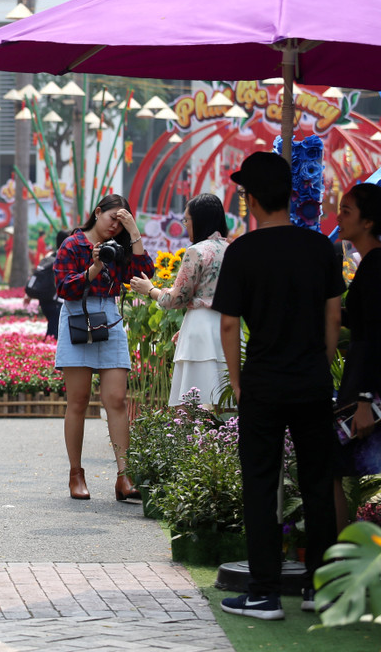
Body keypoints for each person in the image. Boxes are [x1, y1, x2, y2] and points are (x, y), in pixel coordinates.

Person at [212, 151, 342, 621]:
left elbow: (229, 325)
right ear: (290, 193)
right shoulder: (319, 247)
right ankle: (320, 588)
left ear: (250, 199)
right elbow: (333, 315)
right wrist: (320, 363)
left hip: (263, 384)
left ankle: (264, 593)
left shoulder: (242, 251)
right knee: (317, 483)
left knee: (261, 485)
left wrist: (239, 382)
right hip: (310, 381)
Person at [54, 194, 153, 501]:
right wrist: (95, 266)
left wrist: (133, 233)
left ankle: (124, 477)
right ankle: (76, 474)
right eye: (112, 218)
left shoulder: (121, 247)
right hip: (77, 317)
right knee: (79, 401)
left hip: (108, 318)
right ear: (97, 212)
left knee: (117, 400)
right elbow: (64, 288)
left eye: (121, 222)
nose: (115, 226)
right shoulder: (72, 245)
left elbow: (143, 274)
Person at [129, 194, 230, 407]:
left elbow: (176, 298)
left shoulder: (197, 251)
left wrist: (151, 290)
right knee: (225, 406)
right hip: (228, 329)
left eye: (187, 220)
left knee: (194, 407)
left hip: (200, 332)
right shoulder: (232, 249)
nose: (185, 225)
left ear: (199, 220)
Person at [334, 182, 381, 531]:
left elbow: (373, 334)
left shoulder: (375, 266)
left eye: (347, 210)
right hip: (365, 391)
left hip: (369, 397)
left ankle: (344, 558)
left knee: (329, 467)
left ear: (368, 221)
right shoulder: (369, 265)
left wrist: (364, 399)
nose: (339, 217)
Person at [24, 231, 67, 341]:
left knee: (52, 331)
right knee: (54, 334)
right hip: (56, 301)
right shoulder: (66, 258)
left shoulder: (50, 256)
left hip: (44, 299)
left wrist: (28, 296)